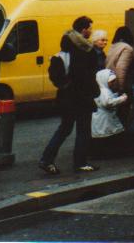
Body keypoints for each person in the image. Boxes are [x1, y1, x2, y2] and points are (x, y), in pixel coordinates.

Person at [38, 16, 100, 174]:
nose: (91, 32)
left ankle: (46, 159)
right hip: (81, 97)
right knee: (83, 130)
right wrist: (92, 91)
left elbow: (56, 74)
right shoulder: (84, 49)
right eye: (89, 28)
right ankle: (80, 162)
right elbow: (86, 75)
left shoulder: (65, 48)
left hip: (66, 97)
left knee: (64, 129)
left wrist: (65, 86)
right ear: (84, 30)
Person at [90, 69, 128, 157]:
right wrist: (122, 98)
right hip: (105, 119)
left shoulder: (101, 89)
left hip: (101, 118)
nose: (113, 83)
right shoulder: (105, 91)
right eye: (111, 82)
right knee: (109, 134)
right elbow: (108, 102)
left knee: (103, 135)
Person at [105, 27, 134, 95]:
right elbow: (121, 69)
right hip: (119, 87)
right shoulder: (127, 48)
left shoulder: (112, 46)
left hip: (109, 83)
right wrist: (121, 89)